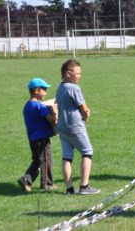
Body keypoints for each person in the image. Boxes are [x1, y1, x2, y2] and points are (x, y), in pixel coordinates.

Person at [55, 59, 101, 195]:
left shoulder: (60, 87)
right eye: (78, 73)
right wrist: (86, 117)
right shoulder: (74, 88)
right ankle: (84, 186)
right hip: (75, 126)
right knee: (87, 152)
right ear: (68, 73)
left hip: (62, 127)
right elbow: (84, 109)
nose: (80, 76)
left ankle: (69, 189)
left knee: (67, 157)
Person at [18, 77, 57, 192]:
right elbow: (51, 120)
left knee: (37, 161)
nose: (46, 92)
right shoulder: (40, 106)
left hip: (32, 138)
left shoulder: (27, 105)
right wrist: (54, 113)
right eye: (44, 89)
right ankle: (47, 184)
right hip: (42, 138)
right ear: (36, 91)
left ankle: (26, 180)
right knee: (46, 160)